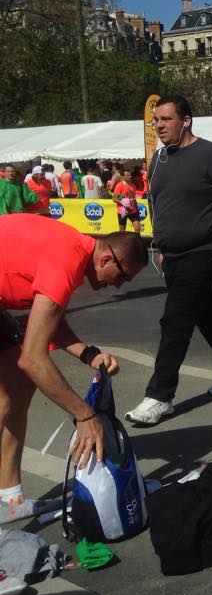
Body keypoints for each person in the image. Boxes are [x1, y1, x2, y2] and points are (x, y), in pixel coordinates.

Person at [124, 95, 212, 426]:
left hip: (206, 249)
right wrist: (162, 243)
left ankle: (160, 396)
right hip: (173, 254)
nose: (158, 126)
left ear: (186, 121)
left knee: (176, 319)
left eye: (165, 119)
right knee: (206, 313)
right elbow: (159, 205)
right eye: (155, 120)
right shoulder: (159, 161)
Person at [0, 215, 148, 523]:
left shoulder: (75, 250)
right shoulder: (66, 262)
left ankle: (9, 499)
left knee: (17, 390)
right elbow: (33, 359)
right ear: (107, 259)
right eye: (122, 276)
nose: (118, 285)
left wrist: (88, 354)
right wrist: (85, 415)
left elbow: (49, 322)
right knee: (16, 383)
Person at [112, 168, 141, 234]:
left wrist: (137, 209)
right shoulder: (119, 185)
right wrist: (124, 203)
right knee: (122, 230)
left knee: (137, 227)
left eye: (130, 175)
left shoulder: (133, 186)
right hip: (122, 211)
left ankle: (137, 239)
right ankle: (121, 240)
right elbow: (114, 199)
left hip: (132, 210)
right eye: (128, 175)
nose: (130, 177)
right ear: (123, 177)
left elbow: (134, 199)